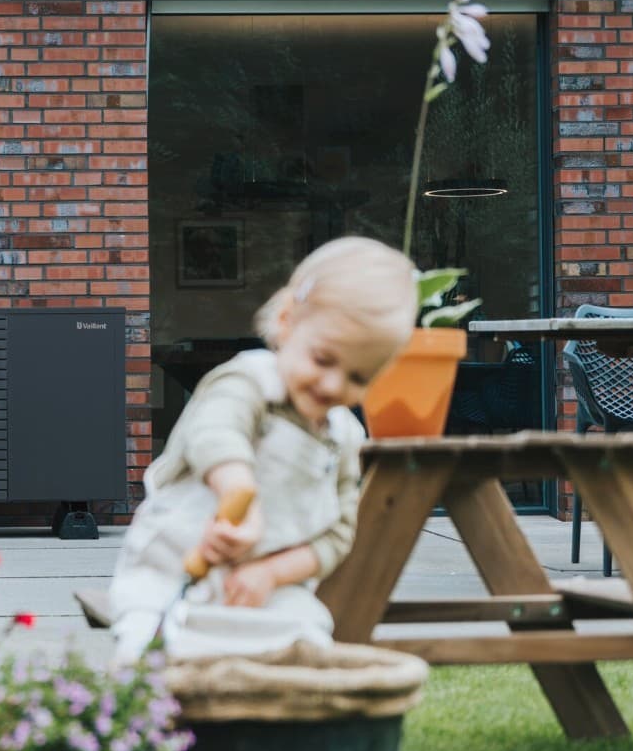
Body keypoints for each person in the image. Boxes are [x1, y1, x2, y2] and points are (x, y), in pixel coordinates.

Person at [103, 236, 418, 664]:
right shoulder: (248, 383)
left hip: (266, 591)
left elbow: (338, 535)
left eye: (359, 378)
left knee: (307, 646)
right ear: (287, 321)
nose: (333, 385)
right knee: (155, 658)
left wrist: (270, 572)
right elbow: (216, 435)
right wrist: (239, 500)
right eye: (323, 359)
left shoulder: (343, 436)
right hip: (174, 575)